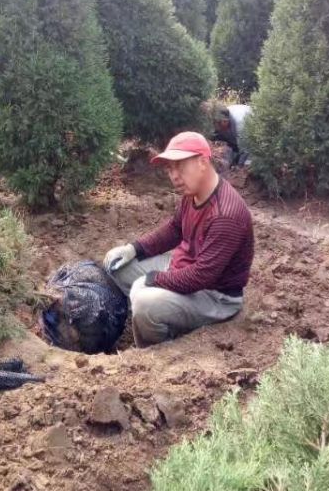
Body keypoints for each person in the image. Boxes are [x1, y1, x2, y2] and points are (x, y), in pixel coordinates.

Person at [103, 131, 254, 348]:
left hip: (215, 295)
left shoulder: (226, 215)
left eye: (180, 166)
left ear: (202, 162)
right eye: (169, 168)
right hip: (183, 267)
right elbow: (175, 229)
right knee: (118, 267)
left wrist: (152, 280)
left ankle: (157, 349)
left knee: (145, 304)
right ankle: (156, 314)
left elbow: (201, 277)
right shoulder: (193, 193)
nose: (174, 175)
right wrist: (133, 249)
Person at [211, 102, 252, 168]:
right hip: (235, 137)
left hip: (252, 141)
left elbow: (245, 148)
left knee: (247, 163)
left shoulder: (240, 124)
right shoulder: (220, 119)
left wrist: (239, 166)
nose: (217, 126)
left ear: (225, 121)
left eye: (219, 123)